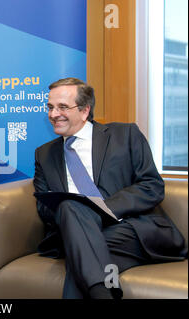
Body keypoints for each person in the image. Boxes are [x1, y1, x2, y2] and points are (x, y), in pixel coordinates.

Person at [33, 77, 187, 299]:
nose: (53, 114)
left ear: (85, 110)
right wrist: (80, 212)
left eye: (62, 107)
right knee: (70, 211)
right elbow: (44, 208)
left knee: (80, 253)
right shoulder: (44, 154)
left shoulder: (125, 135)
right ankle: (103, 292)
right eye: (50, 107)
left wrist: (99, 210)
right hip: (83, 232)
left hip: (133, 230)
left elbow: (152, 185)